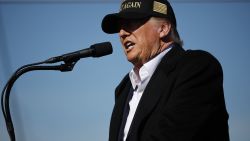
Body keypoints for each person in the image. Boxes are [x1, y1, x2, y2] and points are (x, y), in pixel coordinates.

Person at [101, 0, 230, 141]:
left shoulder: (196, 67)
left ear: (163, 28)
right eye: (120, 26)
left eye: (132, 22)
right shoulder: (124, 88)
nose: (122, 33)